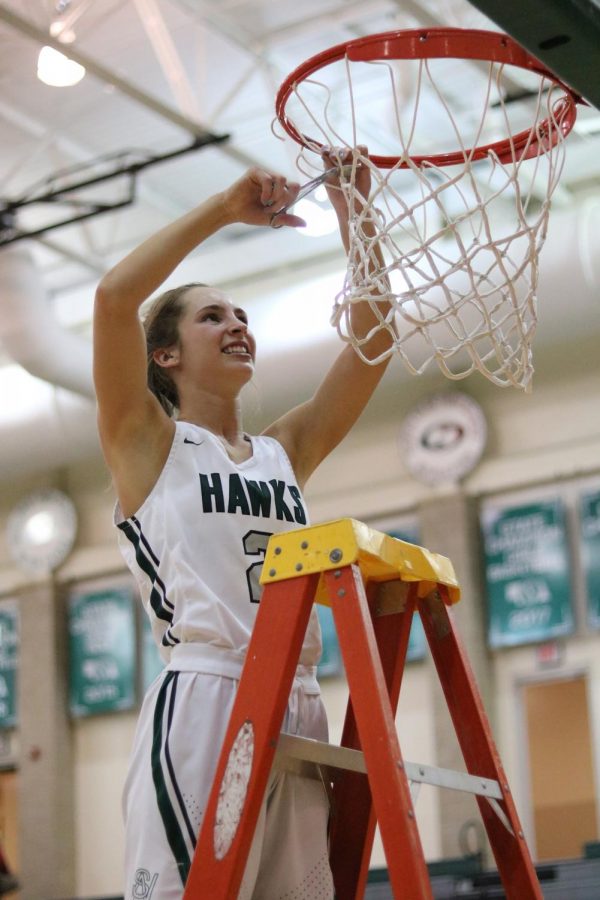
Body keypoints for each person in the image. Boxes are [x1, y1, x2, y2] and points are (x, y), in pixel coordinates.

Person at [93, 148, 391, 900]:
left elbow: (377, 336)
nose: (237, 327)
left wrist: (357, 211)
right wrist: (226, 210)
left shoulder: (284, 450)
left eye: (245, 317)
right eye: (212, 316)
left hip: (299, 697)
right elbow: (112, 297)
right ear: (164, 353)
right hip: (207, 694)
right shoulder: (146, 441)